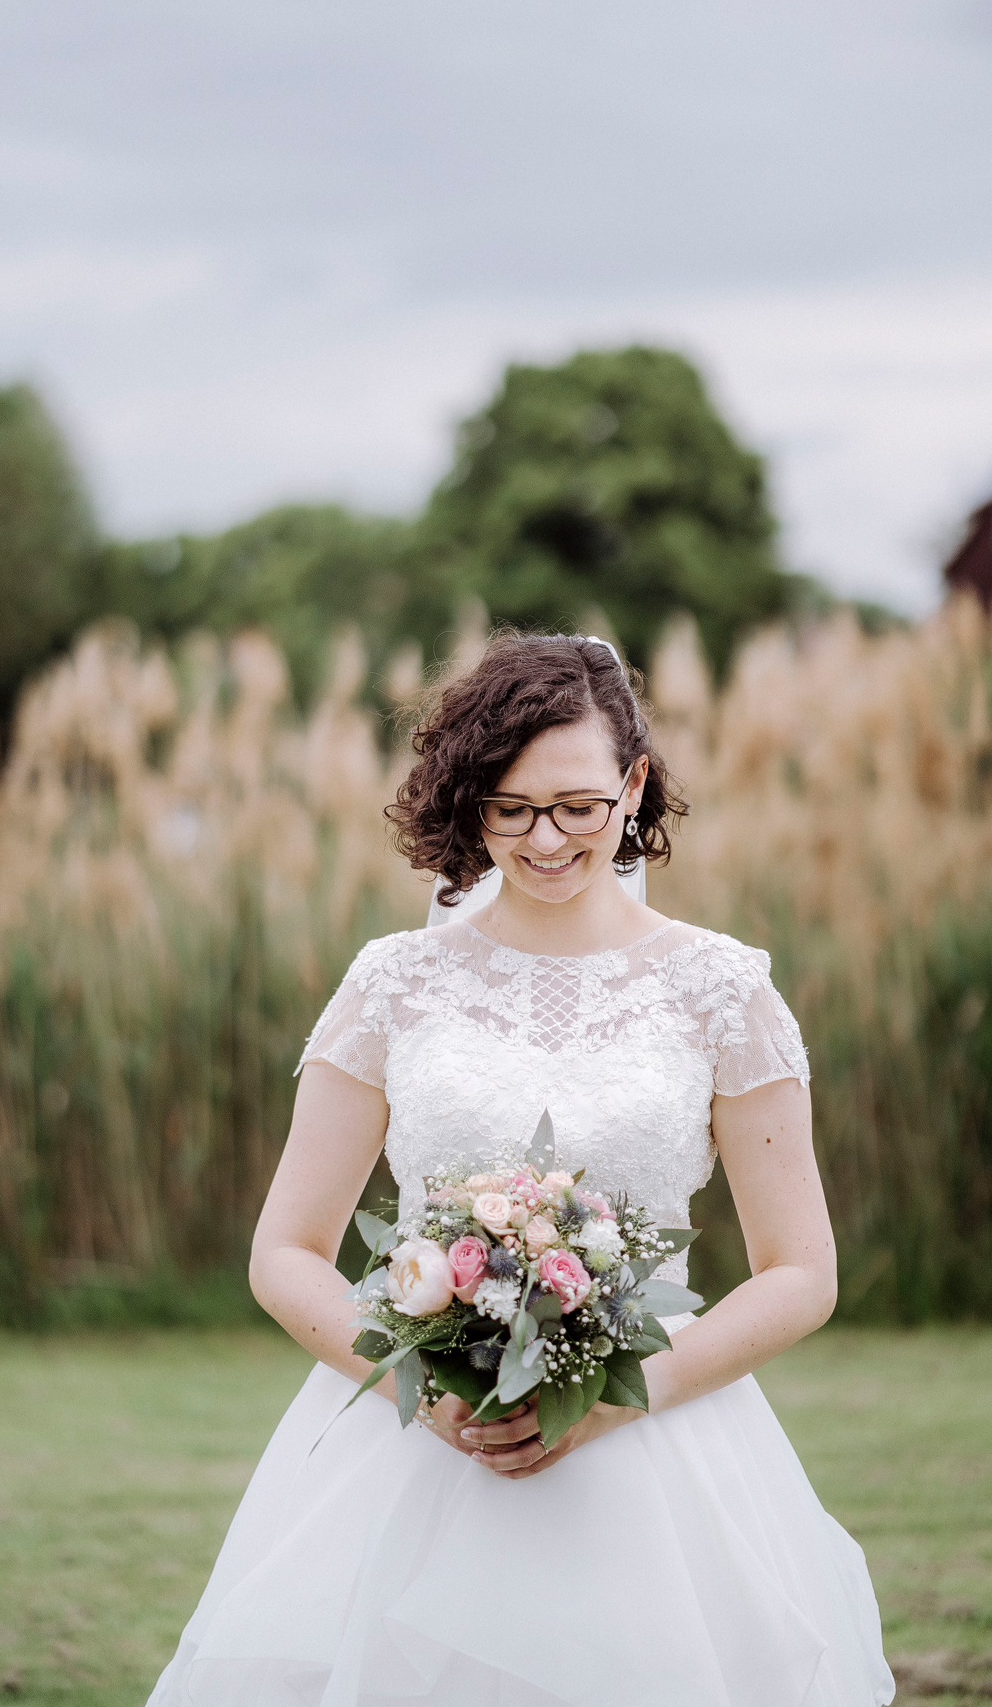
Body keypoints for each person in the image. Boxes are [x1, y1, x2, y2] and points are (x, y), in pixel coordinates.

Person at [147, 632, 895, 1707]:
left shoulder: (724, 993)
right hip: (410, 1451)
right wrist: (420, 1384)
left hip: (653, 1443)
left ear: (633, 788)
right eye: (511, 808)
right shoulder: (394, 984)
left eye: (578, 805)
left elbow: (801, 1273)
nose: (545, 838)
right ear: (472, 802)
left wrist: (617, 1403)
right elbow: (285, 1248)